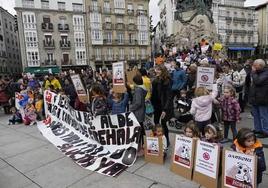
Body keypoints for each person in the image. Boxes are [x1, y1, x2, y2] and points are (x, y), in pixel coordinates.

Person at [151, 65, 173, 147]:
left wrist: (165, 109)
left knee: (163, 124)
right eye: (156, 69)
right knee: (156, 122)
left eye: (159, 70)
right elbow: (154, 93)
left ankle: (166, 141)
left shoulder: (167, 81)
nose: (156, 71)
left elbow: (169, 97)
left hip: (164, 106)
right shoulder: (156, 80)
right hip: (156, 105)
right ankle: (157, 139)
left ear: (163, 71)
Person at [249, 59, 268, 138]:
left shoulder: (266, 73)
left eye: (254, 65)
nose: (253, 66)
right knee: (256, 115)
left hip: (263, 99)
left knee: (263, 116)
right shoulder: (256, 73)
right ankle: (258, 129)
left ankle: (265, 131)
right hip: (255, 98)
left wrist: (253, 72)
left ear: (260, 66)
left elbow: (258, 81)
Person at [130, 74, 147, 153]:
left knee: (139, 130)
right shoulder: (142, 89)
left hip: (138, 112)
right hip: (141, 111)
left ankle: (142, 146)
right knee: (141, 129)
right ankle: (144, 144)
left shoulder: (138, 90)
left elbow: (138, 102)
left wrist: (131, 108)